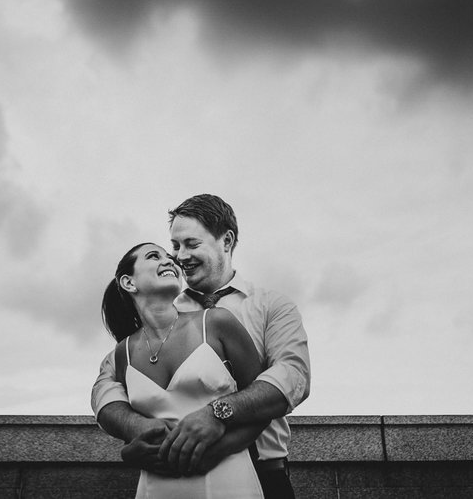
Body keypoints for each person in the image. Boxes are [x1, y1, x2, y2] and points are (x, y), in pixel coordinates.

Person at [93, 195, 311, 499]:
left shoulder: (272, 306)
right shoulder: (160, 310)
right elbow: (109, 384)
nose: (179, 256)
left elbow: (292, 377)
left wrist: (217, 414)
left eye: (191, 244)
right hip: (168, 473)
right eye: (175, 246)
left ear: (226, 241)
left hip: (263, 472)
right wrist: (135, 430)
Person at [101, 241, 268, 498]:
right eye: (154, 256)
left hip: (228, 480)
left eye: (169, 257)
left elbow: (262, 406)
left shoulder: (216, 322)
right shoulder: (122, 354)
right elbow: (133, 423)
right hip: (157, 487)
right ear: (128, 283)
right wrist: (130, 451)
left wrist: (216, 450)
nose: (169, 260)